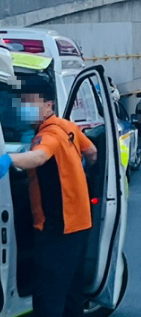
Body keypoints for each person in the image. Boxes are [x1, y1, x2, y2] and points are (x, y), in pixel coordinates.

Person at [0, 78, 97, 317]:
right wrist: (79, 174)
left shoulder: (49, 135)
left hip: (57, 228)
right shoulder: (68, 127)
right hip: (80, 223)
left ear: (49, 105)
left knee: (48, 297)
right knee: (70, 294)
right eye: (23, 103)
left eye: (31, 102)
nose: (26, 108)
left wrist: (9, 160)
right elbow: (92, 152)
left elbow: (39, 158)